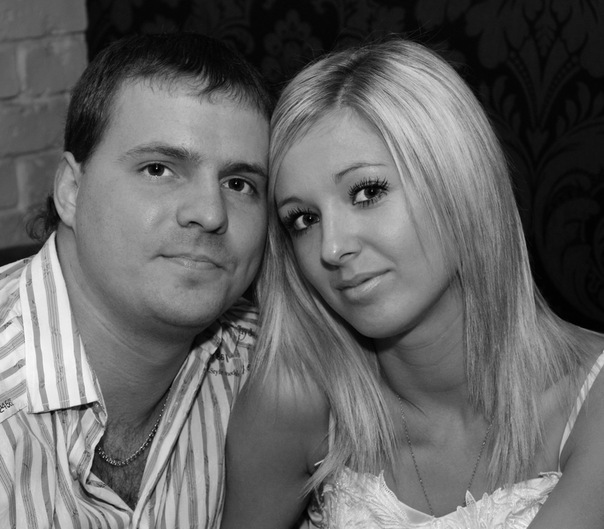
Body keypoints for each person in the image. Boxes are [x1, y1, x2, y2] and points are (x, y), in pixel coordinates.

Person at [220, 38, 604, 528]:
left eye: (367, 192)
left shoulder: (591, 399)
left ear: (457, 180)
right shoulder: (293, 404)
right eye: (303, 219)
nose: (331, 248)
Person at [0, 32, 273, 528]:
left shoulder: (273, 368)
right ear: (71, 190)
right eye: (159, 169)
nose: (211, 213)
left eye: (239, 184)